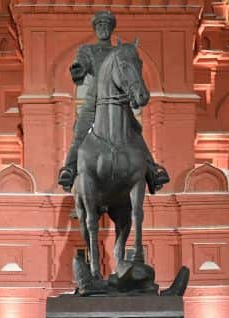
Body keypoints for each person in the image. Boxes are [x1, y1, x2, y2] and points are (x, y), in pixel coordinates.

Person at [56, 10, 169, 194]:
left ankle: (152, 170)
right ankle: (69, 170)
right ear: (95, 29)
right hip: (94, 100)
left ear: (111, 29)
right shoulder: (88, 50)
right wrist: (78, 68)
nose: (103, 29)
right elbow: (81, 64)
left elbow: (129, 71)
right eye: (99, 25)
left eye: (107, 25)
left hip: (118, 102)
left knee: (135, 132)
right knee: (80, 132)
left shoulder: (120, 51)